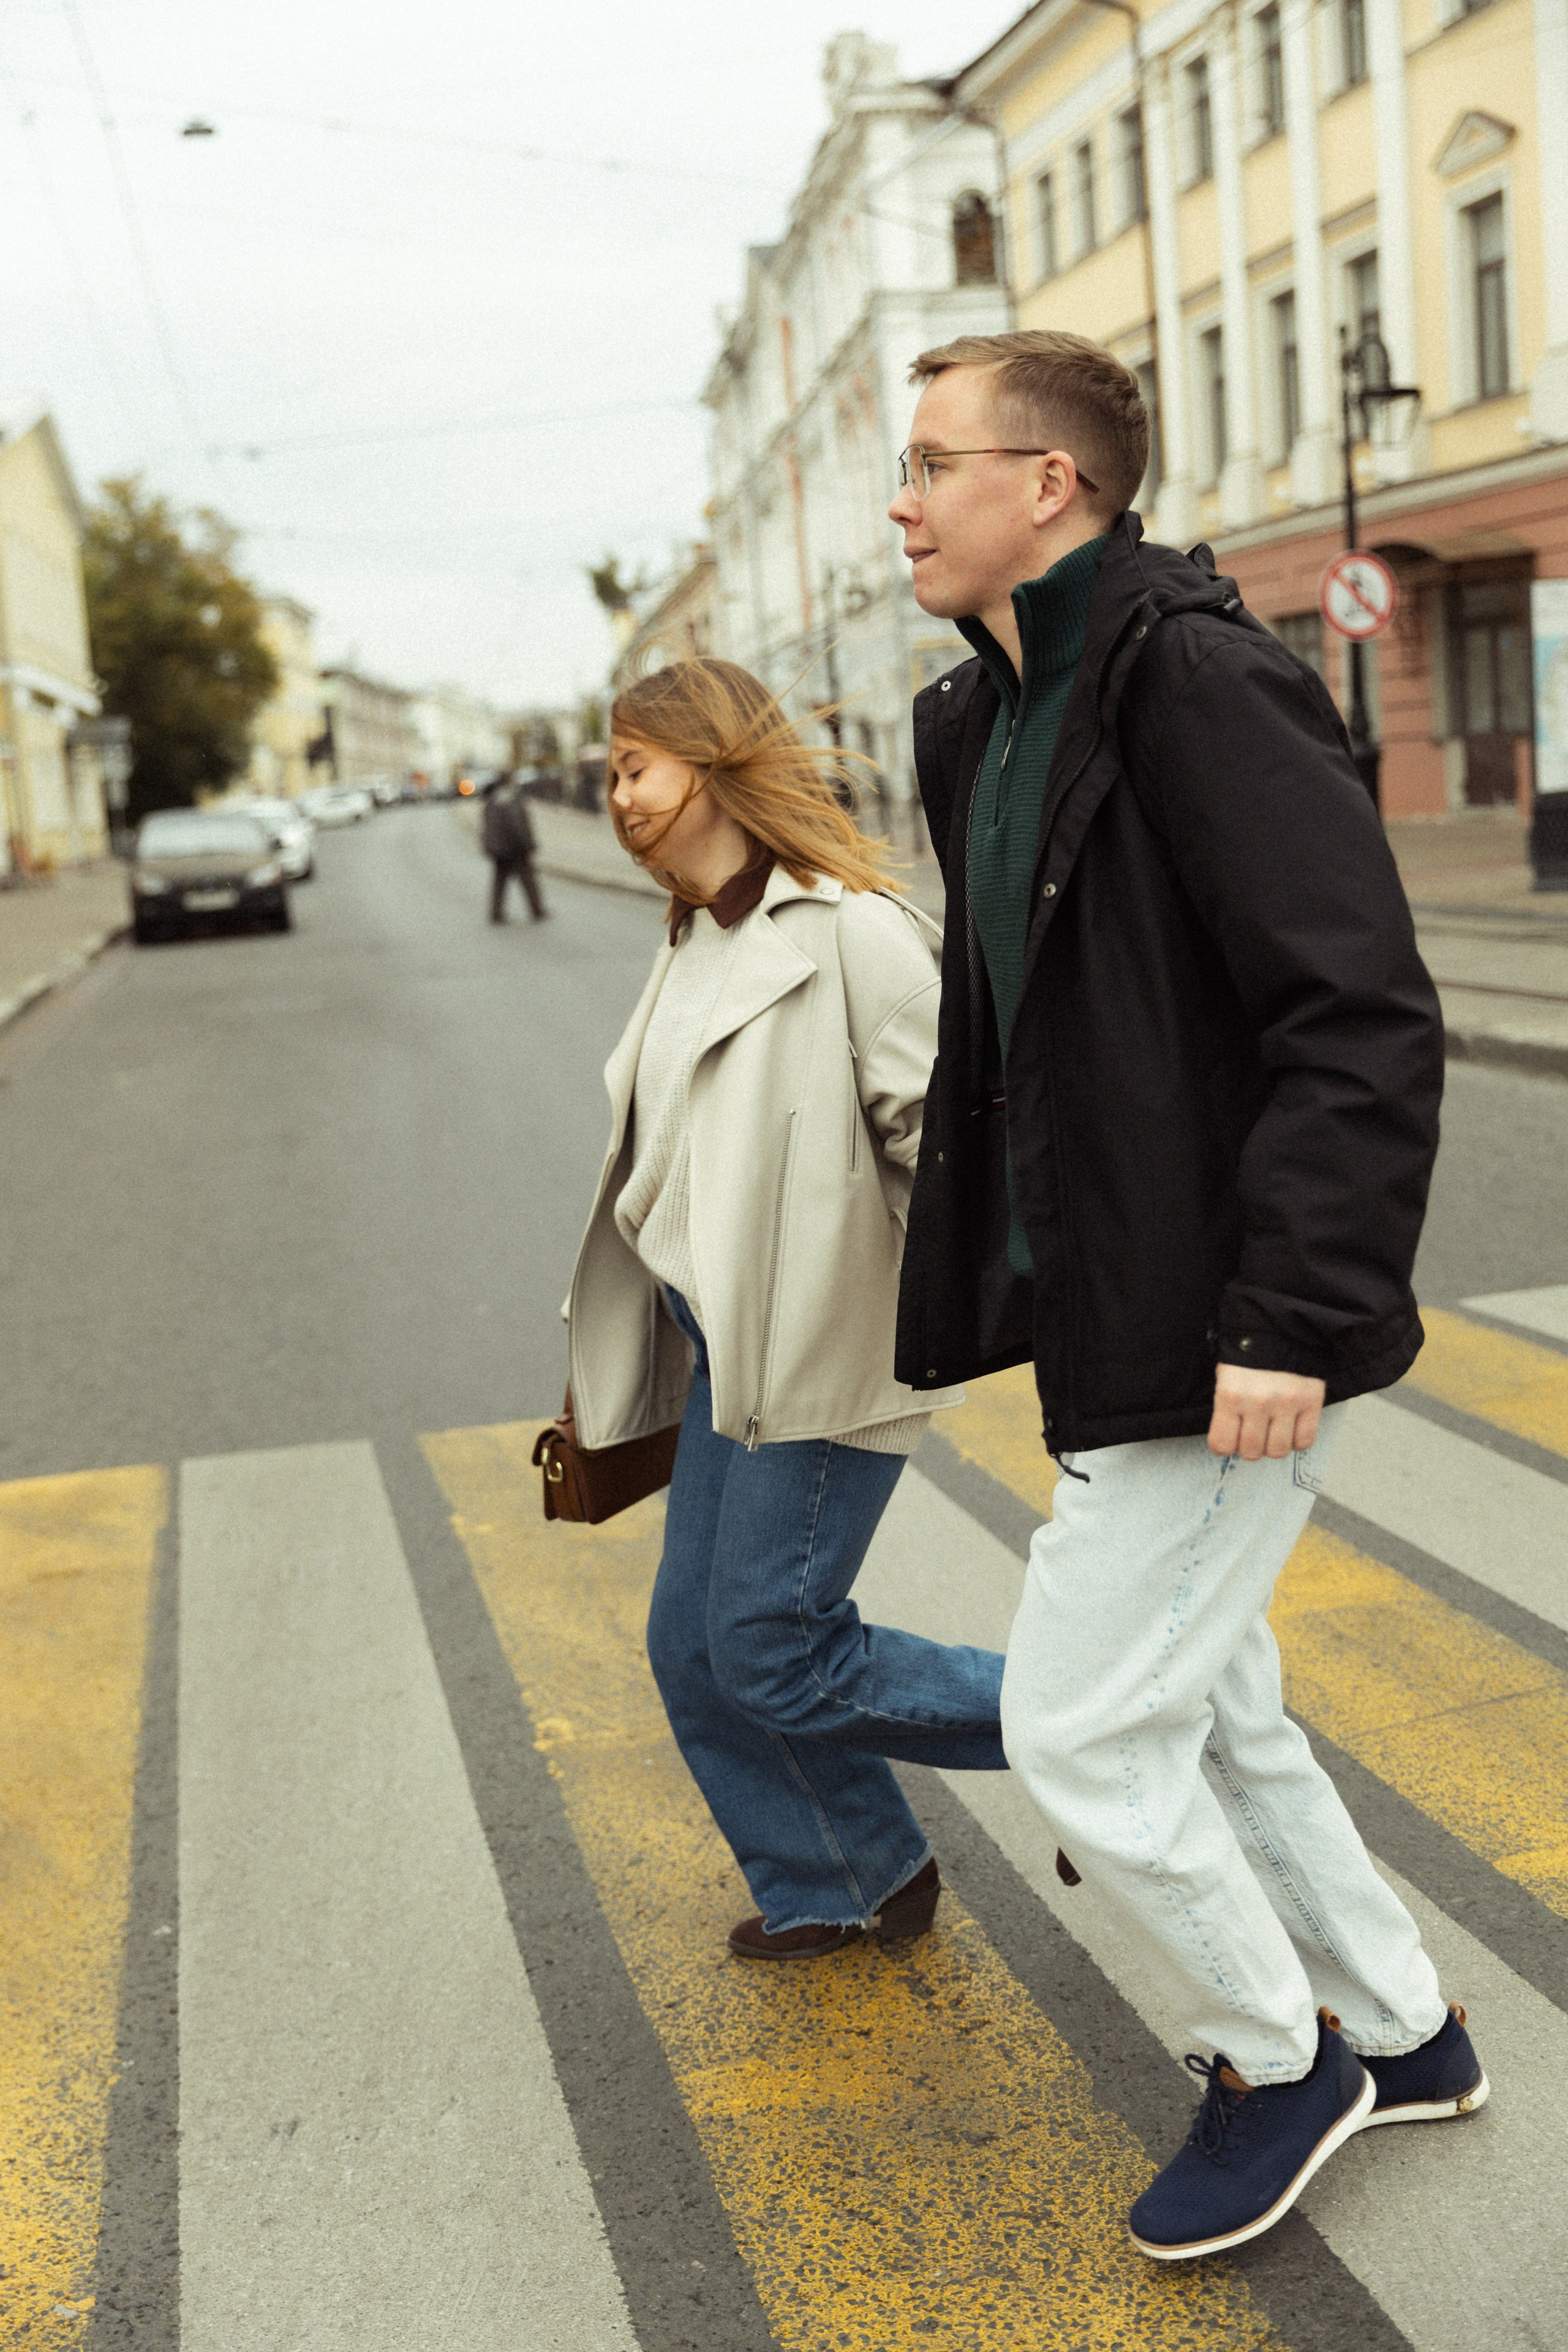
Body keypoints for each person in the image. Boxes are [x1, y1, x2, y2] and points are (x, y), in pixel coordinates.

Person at [887, 331, 1487, 2260]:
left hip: (1220, 1326)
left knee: (1078, 1728)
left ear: (1047, 483)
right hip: (1110, 1306)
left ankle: (1271, 2057)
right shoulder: (975, 719)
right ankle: (1399, 2029)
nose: (901, 501)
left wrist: (1287, 1314)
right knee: (1217, 1712)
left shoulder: (1192, 678)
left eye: (932, 463)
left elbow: (1359, 1015)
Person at [562, 657, 1008, 1958]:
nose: (618, 798)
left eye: (635, 768)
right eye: (609, 774)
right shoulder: (693, 935)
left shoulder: (850, 932)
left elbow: (954, 1151)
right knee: (694, 1651)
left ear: (716, 763)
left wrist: (884, 1298)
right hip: (724, 1346)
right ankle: (850, 1873)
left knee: (770, 1649)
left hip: (816, 1343)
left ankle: (1107, 1713)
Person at [481, 776, 547, 921]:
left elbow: (487, 828)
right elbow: (517, 825)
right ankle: (537, 910)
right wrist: (527, 844)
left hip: (499, 848)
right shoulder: (510, 799)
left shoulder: (492, 800)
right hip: (515, 848)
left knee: (500, 882)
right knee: (528, 879)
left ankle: (496, 912)